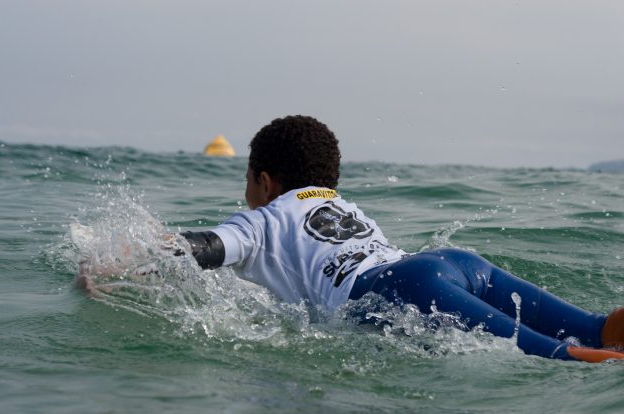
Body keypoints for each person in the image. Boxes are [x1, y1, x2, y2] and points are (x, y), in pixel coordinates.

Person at [176, 115, 624, 362]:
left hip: (400, 290)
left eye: (248, 181)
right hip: (453, 264)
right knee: (595, 330)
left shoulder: (264, 220)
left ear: (266, 182)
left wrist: (123, 252)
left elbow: (205, 248)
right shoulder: (338, 204)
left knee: (566, 358)